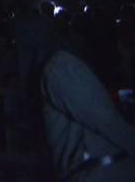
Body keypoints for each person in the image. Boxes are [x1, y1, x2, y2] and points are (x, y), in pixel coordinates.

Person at [14, 12, 135, 181]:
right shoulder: (55, 69)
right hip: (93, 168)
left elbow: (105, 120)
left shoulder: (59, 68)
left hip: (101, 170)